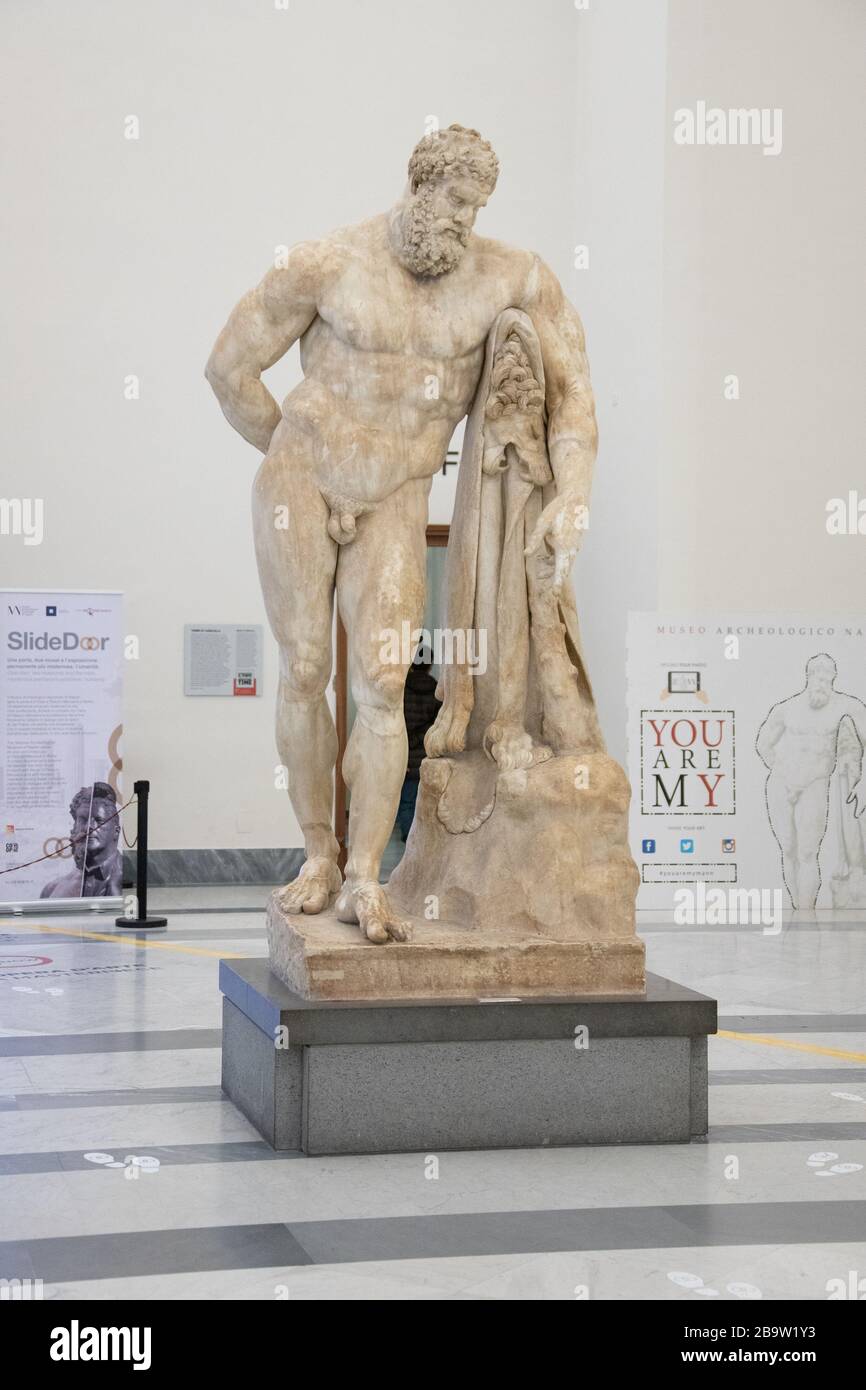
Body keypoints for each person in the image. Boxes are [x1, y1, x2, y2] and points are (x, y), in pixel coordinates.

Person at [206, 124, 597, 942]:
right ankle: (317, 853)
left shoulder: (509, 277)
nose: (464, 220)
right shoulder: (327, 262)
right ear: (419, 187)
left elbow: (574, 395)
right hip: (302, 480)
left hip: (397, 495)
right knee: (307, 667)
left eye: (477, 208)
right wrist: (292, 450)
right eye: (455, 202)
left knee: (385, 684)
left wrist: (576, 495)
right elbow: (229, 368)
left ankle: (363, 875)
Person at [757, 654, 866, 908]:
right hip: (780, 783)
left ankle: (806, 911)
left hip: (814, 784)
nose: (822, 685)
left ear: (833, 681)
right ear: (808, 677)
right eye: (818, 679)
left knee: (807, 852)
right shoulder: (787, 708)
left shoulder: (845, 706)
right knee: (788, 849)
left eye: (827, 680)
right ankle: (798, 907)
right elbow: (763, 743)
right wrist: (782, 769)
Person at [41, 782, 123, 899]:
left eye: (99, 820)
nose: (88, 827)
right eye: (83, 820)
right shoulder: (52, 889)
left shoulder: (128, 877)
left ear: (116, 831)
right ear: (75, 826)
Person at [397, 648, 441, 840]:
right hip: (428, 754)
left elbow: (399, 725)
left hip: (405, 753)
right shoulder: (437, 691)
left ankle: (409, 838)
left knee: (406, 801)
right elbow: (438, 724)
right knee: (426, 800)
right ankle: (422, 838)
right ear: (430, 664)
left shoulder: (402, 692)